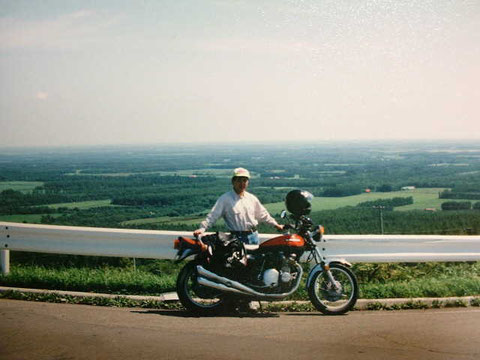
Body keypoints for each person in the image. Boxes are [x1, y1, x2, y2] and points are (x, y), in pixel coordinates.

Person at [194, 167, 283, 244]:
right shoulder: (225, 199)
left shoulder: (252, 198)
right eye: (239, 180)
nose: (242, 183)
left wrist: (276, 225)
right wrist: (202, 229)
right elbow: (213, 216)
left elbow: (263, 215)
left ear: (248, 182)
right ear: (233, 181)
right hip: (236, 239)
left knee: (253, 263)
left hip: (253, 237)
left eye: (245, 180)